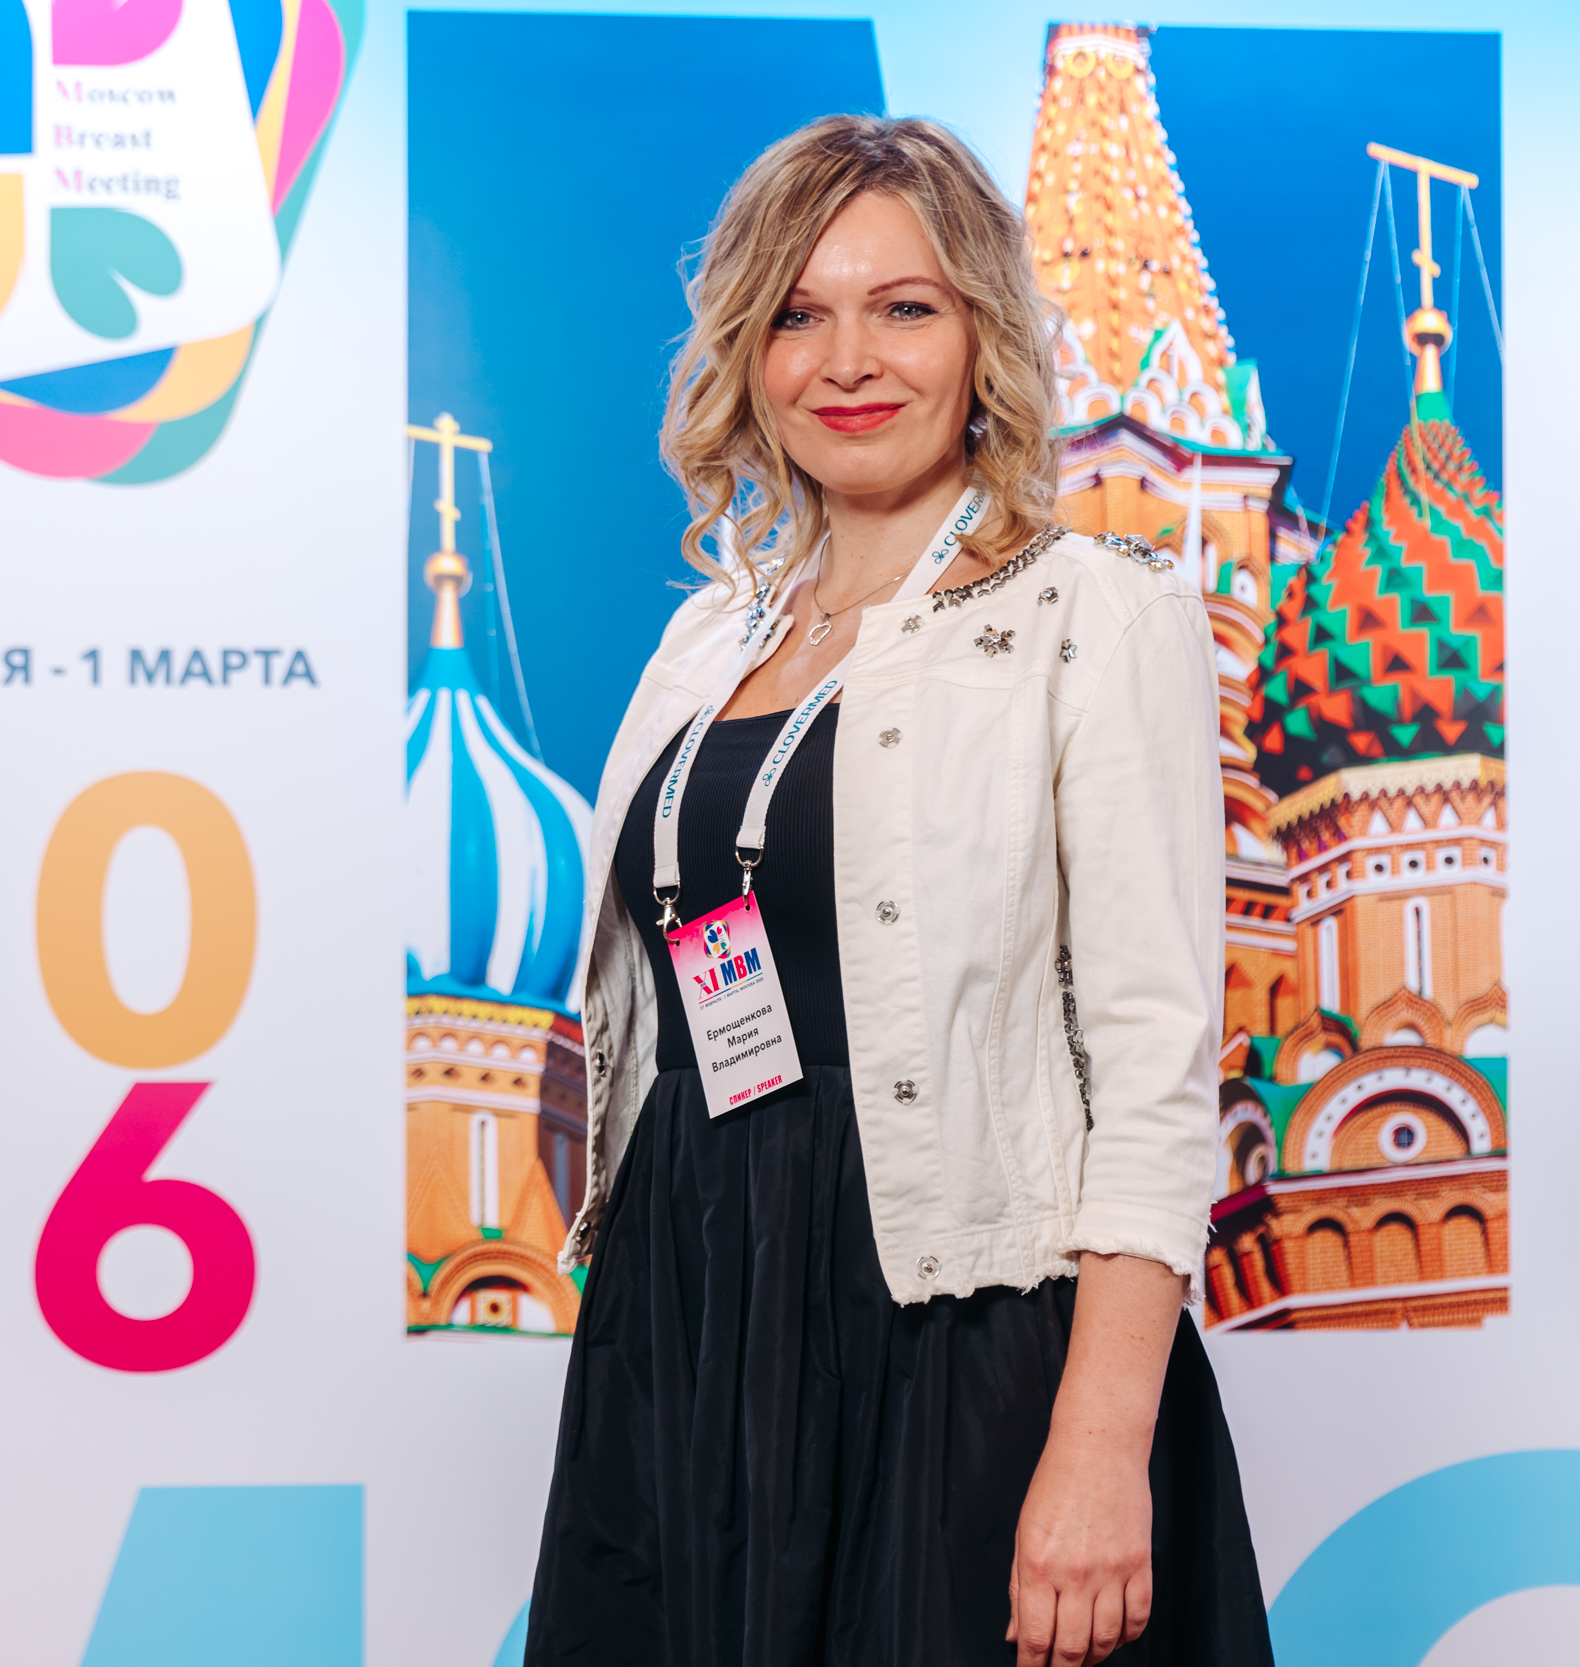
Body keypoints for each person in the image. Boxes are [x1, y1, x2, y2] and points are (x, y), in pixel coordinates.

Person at [526, 114, 1270, 1667]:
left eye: (905, 307)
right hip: (693, 1321)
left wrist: (1101, 1447)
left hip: (957, 1329)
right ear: (748, 352)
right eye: (799, 314)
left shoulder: (1097, 610)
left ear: (982, 331)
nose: (848, 360)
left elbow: (1153, 1071)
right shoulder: (705, 640)